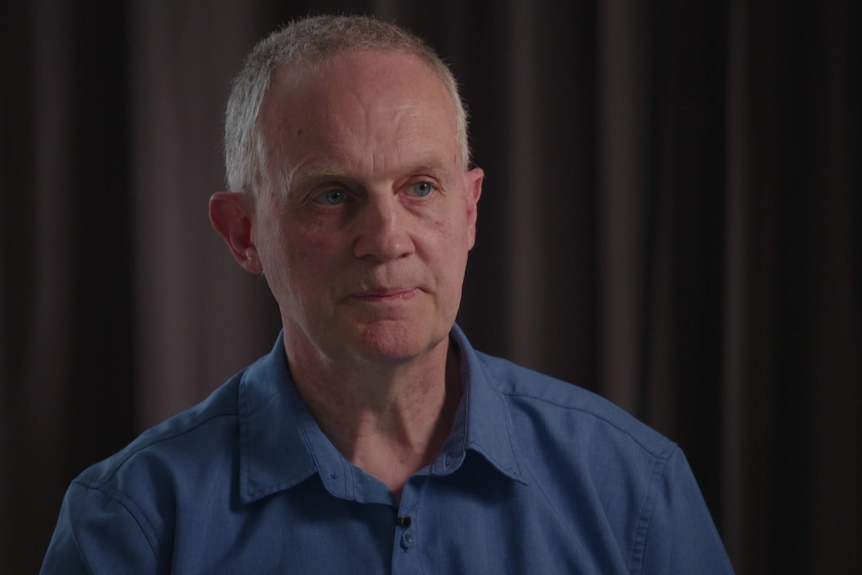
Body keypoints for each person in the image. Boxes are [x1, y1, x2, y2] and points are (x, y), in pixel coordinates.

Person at [40, 14, 734, 574]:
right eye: (333, 194)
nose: (386, 237)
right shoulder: (131, 523)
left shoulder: (633, 489)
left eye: (421, 188)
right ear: (243, 232)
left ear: (469, 211)